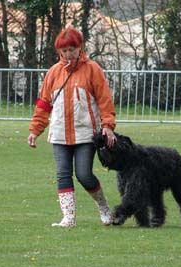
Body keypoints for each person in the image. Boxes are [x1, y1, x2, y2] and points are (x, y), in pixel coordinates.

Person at [27, 26, 116, 227]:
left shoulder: (93, 69)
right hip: (59, 133)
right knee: (63, 174)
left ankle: (103, 207)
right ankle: (68, 218)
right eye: (64, 51)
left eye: (71, 50)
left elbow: (105, 100)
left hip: (86, 133)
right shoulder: (53, 73)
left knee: (84, 174)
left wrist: (108, 125)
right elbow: (43, 104)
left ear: (79, 47)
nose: (68, 54)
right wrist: (35, 130)